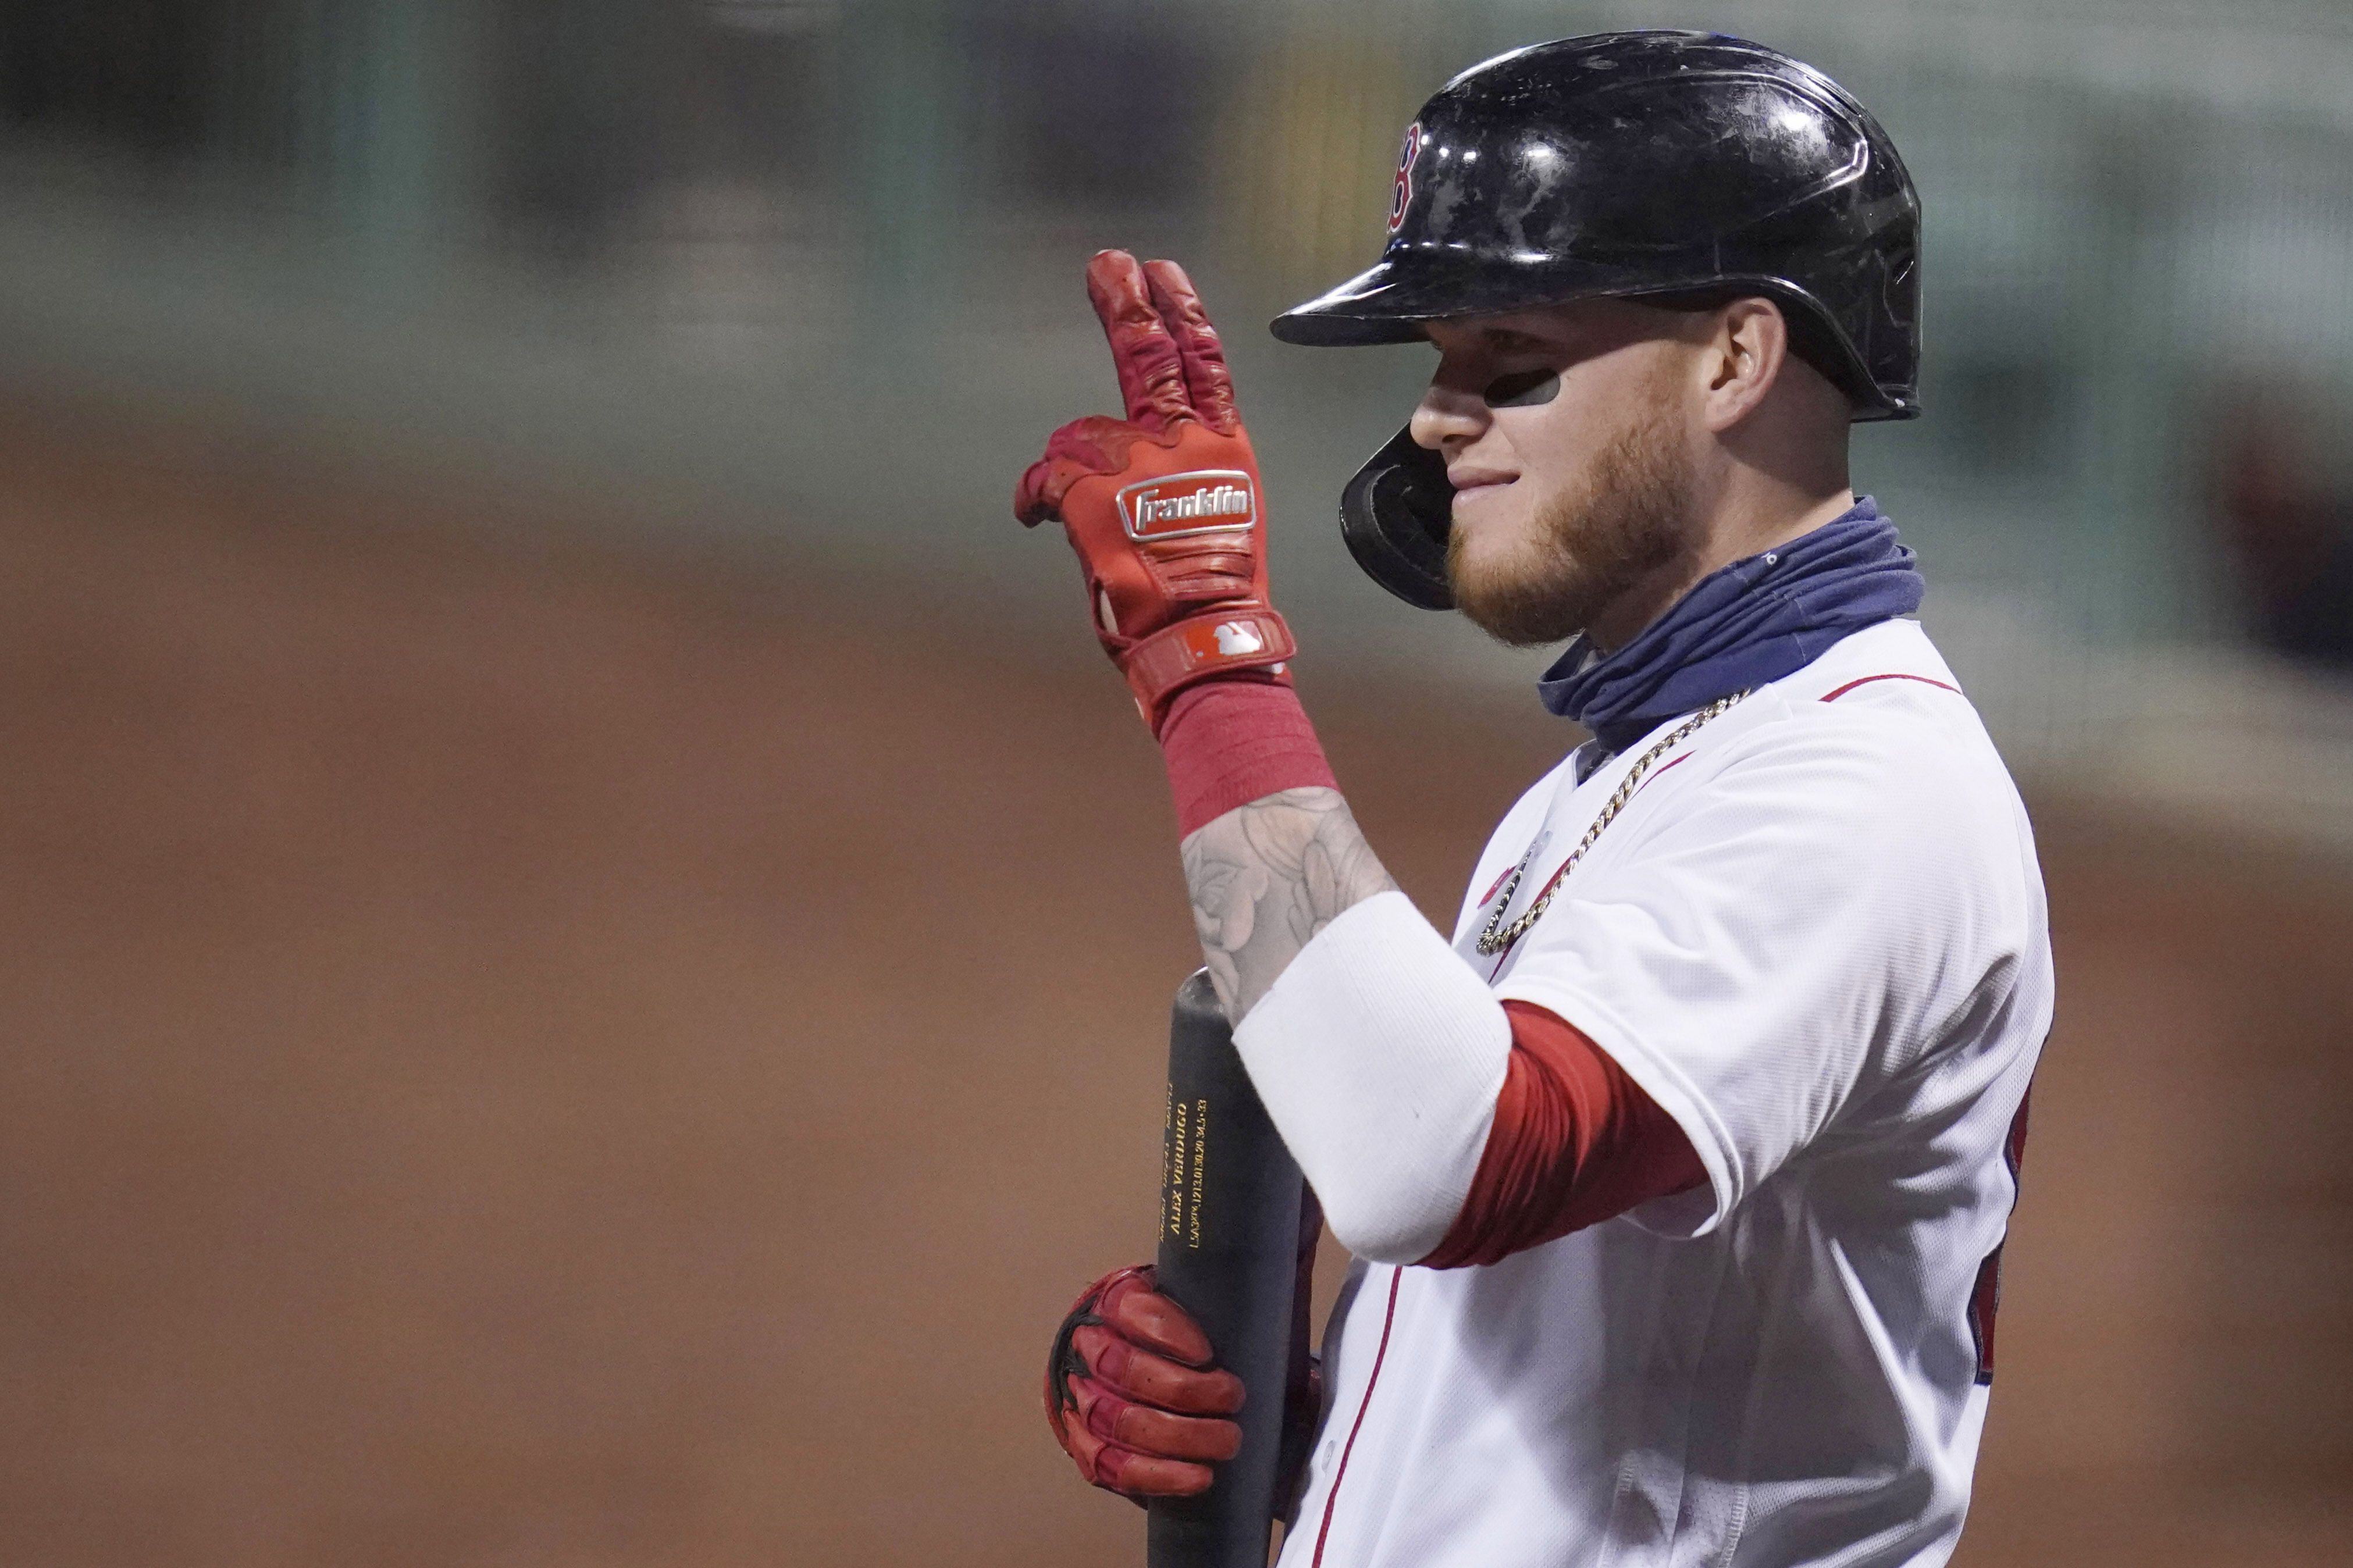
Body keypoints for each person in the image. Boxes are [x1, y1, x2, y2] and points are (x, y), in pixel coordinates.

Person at [1021, 32, 2051, 1568]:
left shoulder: (1865, 783)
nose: (1440, 423)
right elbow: (1494, 1249)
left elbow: (1445, 1156)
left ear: (1735, 360)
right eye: (1442, 370)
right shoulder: (1639, 764)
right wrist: (1302, 1408)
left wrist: (1210, 658)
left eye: (1514, 362)